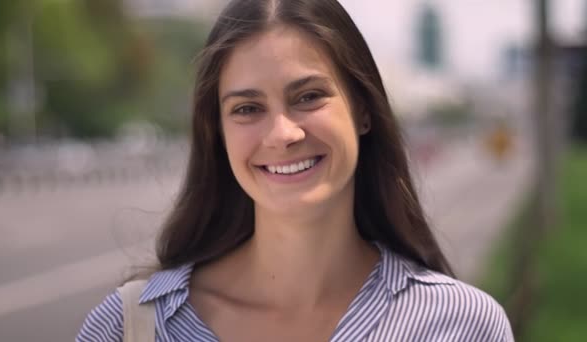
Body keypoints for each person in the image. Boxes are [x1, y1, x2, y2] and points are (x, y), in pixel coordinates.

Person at [77, 0, 514, 341]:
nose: (282, 133)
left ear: (362, 109)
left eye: (307, 97)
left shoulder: (462, 326)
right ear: (218, 133)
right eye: (248, 108)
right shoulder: (130, 329)